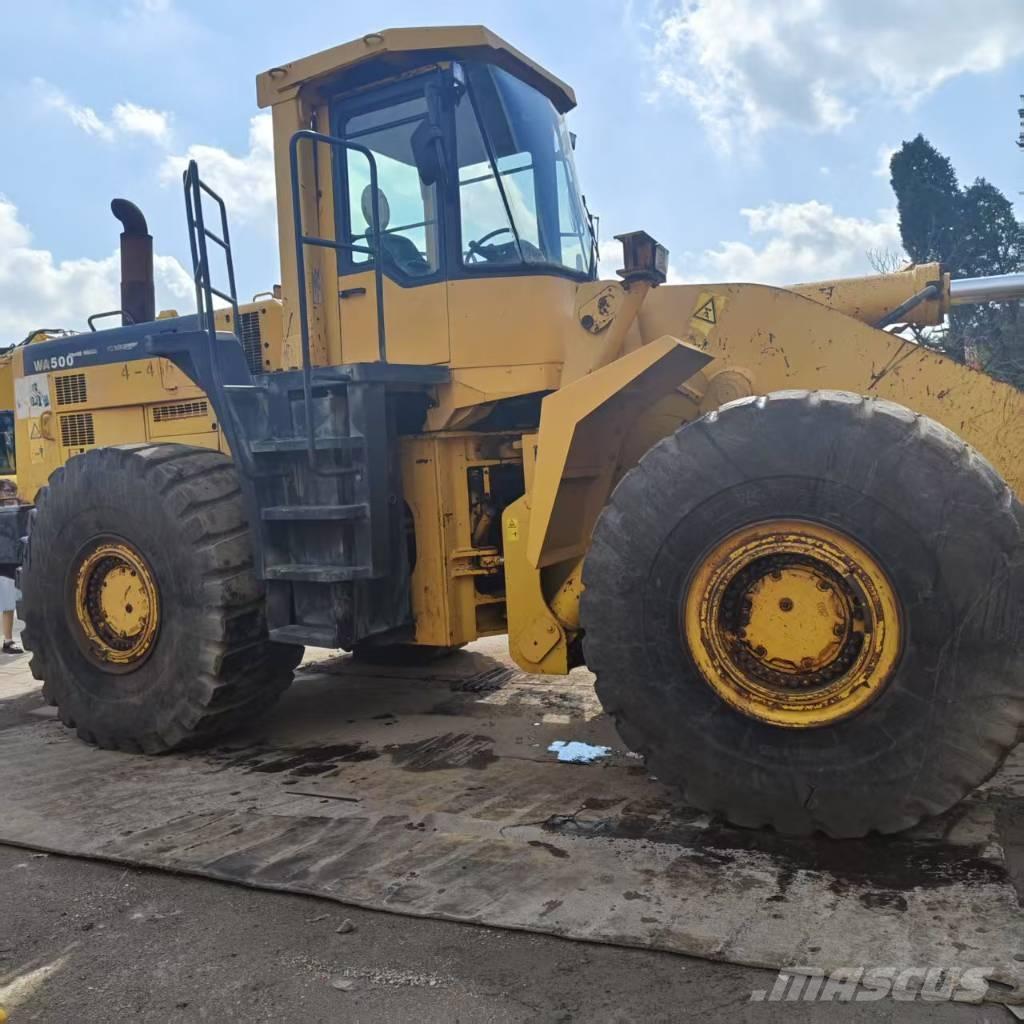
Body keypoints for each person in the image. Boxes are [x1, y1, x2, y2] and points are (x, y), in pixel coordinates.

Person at [0, 477, 22, 654]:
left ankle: (9, 640)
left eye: (12, 492)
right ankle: (8, 640)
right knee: (7, 604)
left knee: (14, 603)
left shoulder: (21, 509)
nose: (10, 495)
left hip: (17, 563)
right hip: (3, 565)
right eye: (7, 492)